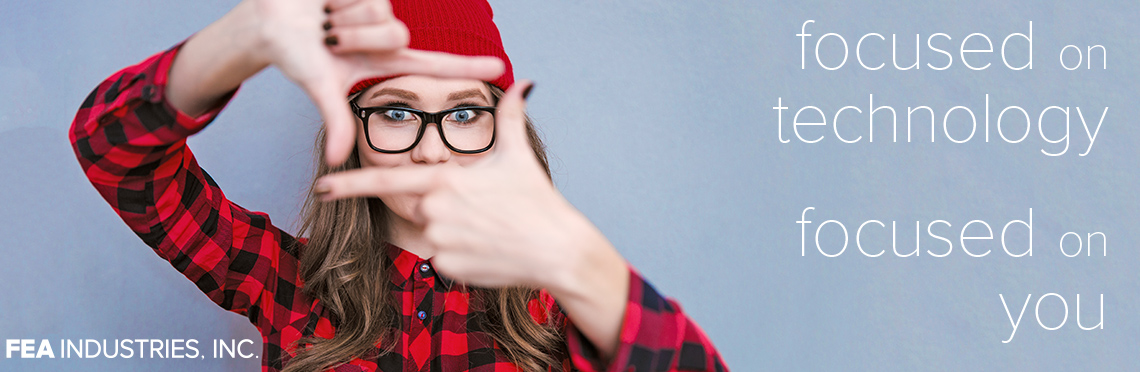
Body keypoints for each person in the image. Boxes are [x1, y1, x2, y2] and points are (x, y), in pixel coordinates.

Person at [69, 0, 728, 371]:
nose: (432, 147)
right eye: (396, 111)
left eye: (465, 113)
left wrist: (582, 262)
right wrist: (245, 36)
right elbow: (112, 151)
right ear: (351, 128)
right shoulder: (283, 283)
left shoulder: (563, 313)